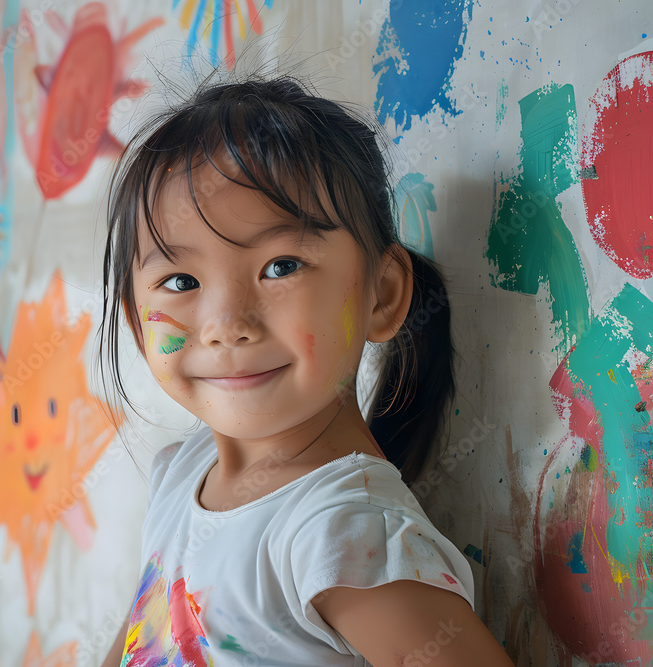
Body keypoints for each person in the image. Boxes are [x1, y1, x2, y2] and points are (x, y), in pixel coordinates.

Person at [95, 75, 515, 666]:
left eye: (281, 265)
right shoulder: (182, 472)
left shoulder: (343, 532)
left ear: (383, 295)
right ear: (138, 322)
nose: (226, 323)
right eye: (181, 282)